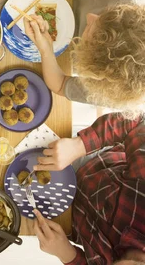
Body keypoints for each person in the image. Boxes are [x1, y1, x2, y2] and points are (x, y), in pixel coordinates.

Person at [0, 0, 145, 111]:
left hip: (62, 55)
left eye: (90, 30)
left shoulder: (111, 88)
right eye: (102, 16)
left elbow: (59, 84)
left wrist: (46, 49)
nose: (90, 16)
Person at [31, 113, 145, 265]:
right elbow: (136, 120)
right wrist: (79, 146)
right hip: (87, 163)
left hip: (66, 222)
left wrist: (67, 254)